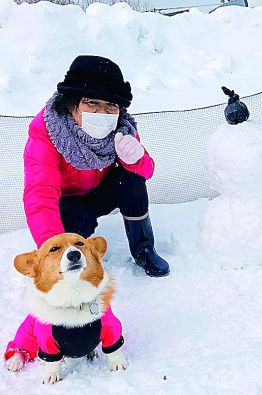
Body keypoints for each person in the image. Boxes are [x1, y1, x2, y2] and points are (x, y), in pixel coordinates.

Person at [23, 55, 170, 276]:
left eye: (111, 105)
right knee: (74, 232)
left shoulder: (122, 127)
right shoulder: (47, 132)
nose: (102, 112)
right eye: (91, 103)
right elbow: (40, 193)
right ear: (72, 103)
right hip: (68, 202)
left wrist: (137, 159)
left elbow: (147, 171)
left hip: (101, 191)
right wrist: (53, 252)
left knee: (132, 179)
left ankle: (144, 249)